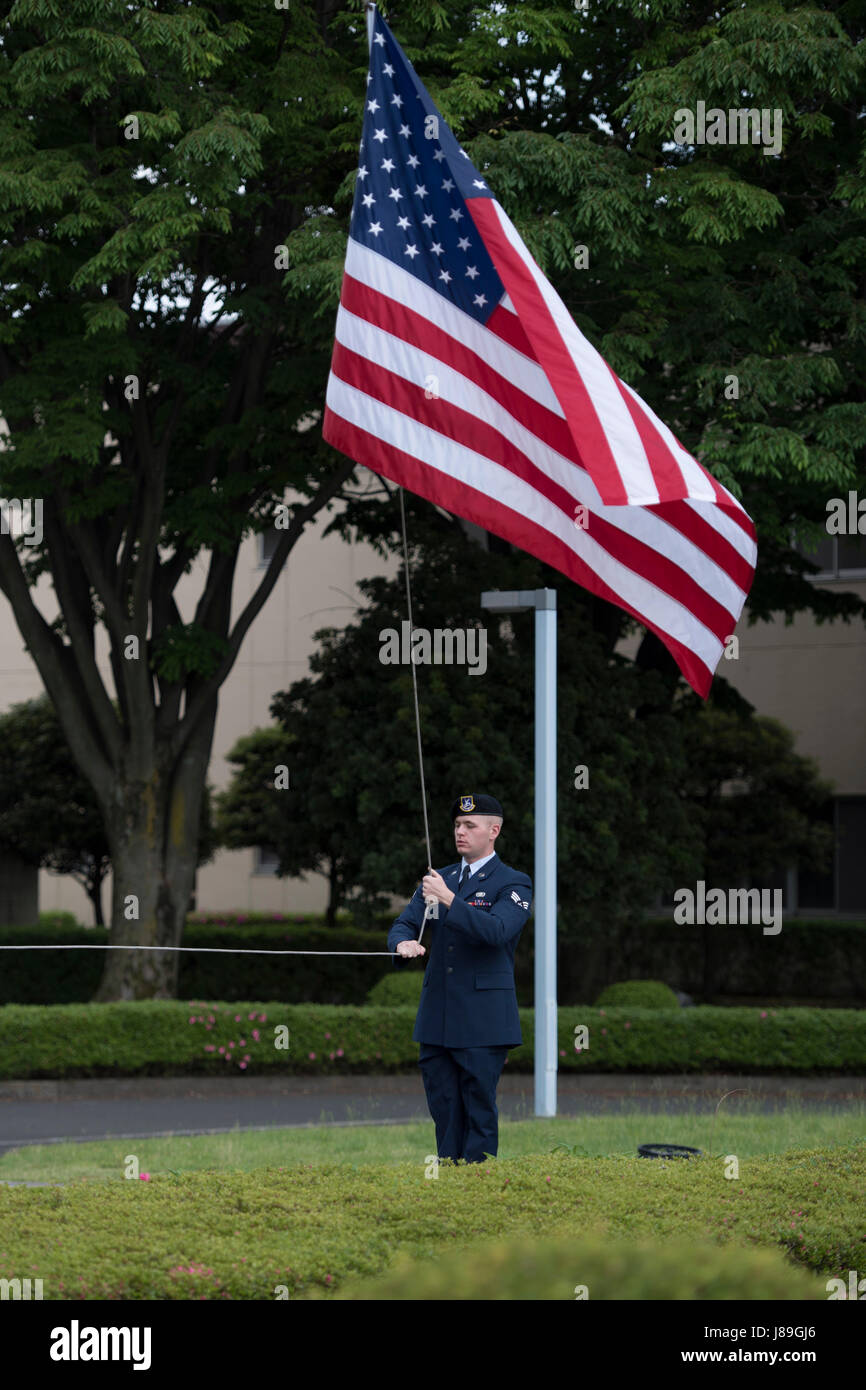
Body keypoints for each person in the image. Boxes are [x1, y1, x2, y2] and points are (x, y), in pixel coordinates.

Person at [387, 793, 532, 1164]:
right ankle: (449, 1186)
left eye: (470, 825)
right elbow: (406, 922)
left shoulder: (513, 883)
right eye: (457, 825)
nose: (460, 832)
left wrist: (450, 900)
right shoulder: (442, 878)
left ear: (493, 830)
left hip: (483, 1020)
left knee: (478, 1111)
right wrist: (403, 942)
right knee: (444, 1111)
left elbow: (498, 931)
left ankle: (478, 1188)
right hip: (438, 1018)